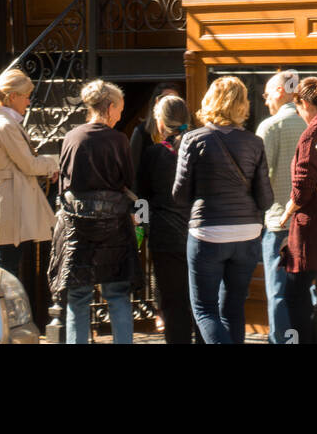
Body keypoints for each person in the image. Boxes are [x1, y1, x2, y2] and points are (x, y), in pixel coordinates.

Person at [173, 75, 273, 344]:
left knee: (205, 310)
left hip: (208, 232)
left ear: (210, 101)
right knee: (233, 309)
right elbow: (265, 199)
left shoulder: (193, 140)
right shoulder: (254, 143)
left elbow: (179, 196)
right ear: (242, 105)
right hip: (247, 233)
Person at [48, 79, 141, 344]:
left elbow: (65, 183)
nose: (120, 115)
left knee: (78, 297)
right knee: (118, 294)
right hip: (113, 225)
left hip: (79, 227)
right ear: (110, 107)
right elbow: (127, 179)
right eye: (120, 110)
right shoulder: (119, 139)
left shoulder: (71, 137)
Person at [0, 68, 59, 290]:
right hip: (10, 203)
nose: (28, 101)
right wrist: (52, 164)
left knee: (9, 265)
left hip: (10, 200)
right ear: (12, 96)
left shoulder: (0, 121)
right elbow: (29, 164)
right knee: (8, 269)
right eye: (26, 96)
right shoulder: (4, 124)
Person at [278, 75, 317, 343]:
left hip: (310, 226)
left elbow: (303, 186)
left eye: (299, 106)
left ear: (303, 102)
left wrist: (286, 211)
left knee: (295, 296)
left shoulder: (312, 132)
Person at [137, 94, 196, 345]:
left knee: (173, 304)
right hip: (199, 234)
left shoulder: (153, 154)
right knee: (201, 301)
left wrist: (141, 229)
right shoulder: (198, 148)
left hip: (165, 238)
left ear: (160, 122)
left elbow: (142, 198)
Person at [256, 68, 305, 344]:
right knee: (308, 289)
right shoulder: (309, 123)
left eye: (266, 94)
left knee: (278, 292)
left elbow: (261, 177)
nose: (265, 101)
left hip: (277, 222)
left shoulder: (269, 127)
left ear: (278, 91)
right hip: (308, 222)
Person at [129, 81, 182, 188]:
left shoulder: (185, 131)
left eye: (174, 99)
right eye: (166, 99)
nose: (170, 103)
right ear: (156, 103)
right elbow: (133, 170)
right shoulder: (142, 131)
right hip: (149, 196)